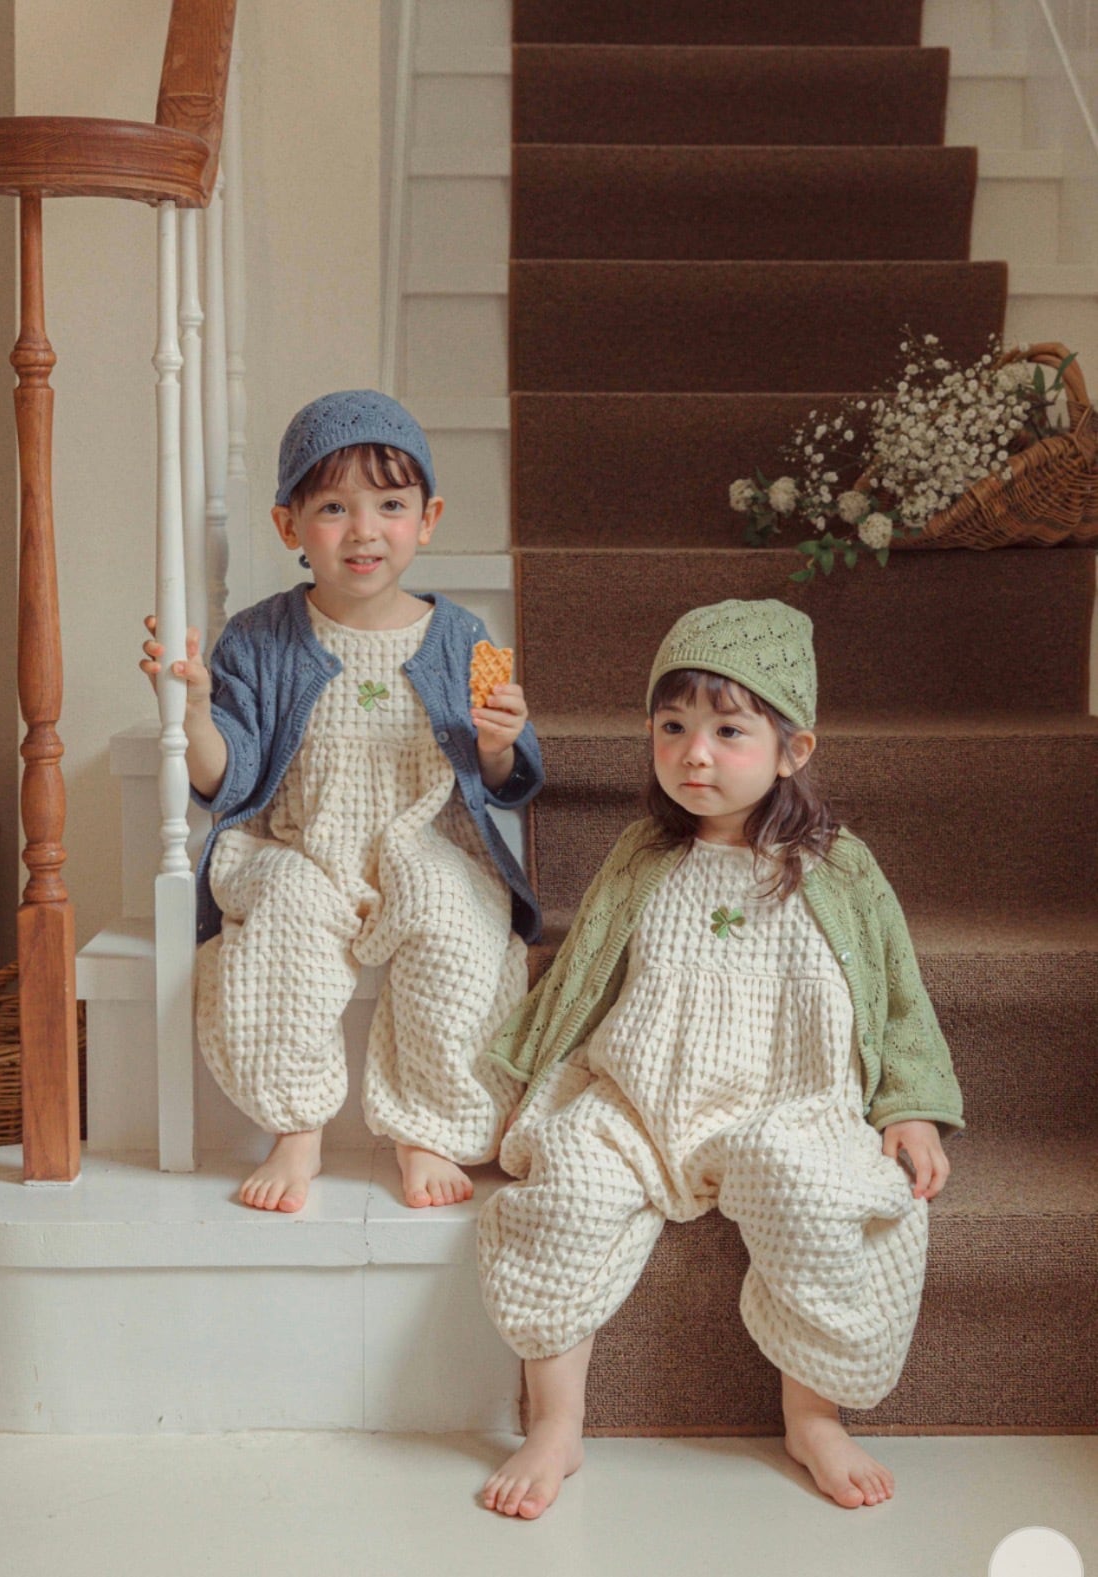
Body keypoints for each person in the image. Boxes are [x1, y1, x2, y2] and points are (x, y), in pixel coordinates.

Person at [476, 598, 963, 1518]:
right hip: (640, 1097)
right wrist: (535, 1078)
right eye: (673, 727)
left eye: (728, 731)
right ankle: (556, 1422)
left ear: (792, 749)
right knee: (565, 1186)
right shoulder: (643, 853)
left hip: (786, 1103)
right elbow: (582, 977)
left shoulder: (839, 866)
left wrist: (909, 1104)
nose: (694, 753)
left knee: (815, 1193)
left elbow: (898, 995)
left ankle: (812, 1414)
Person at [140, 390, 543, 1213]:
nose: (364, 530)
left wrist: (500, 741)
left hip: (423, 840)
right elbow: (228, 779)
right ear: (289, 525)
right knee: (282, 921)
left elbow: (503, 777)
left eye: (390, 505)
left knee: (457, 925)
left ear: (427, 519)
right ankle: (296, 1128)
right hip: (297, 841)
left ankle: (428, 1125)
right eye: (333, 508)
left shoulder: (460, 635)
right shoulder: (260, 637)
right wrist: (194, 713)